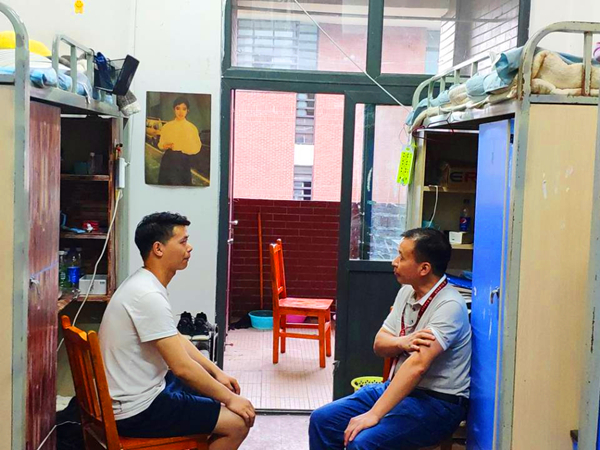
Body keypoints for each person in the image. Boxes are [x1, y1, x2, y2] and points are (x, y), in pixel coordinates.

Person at [99, 212, 254, 449]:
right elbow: (182, 368)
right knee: (238, 422)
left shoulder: (144, 284)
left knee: (212, 393)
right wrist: (232, 399)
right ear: (158, 249)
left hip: (138, 394)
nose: (189, 248)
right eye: (182, 241)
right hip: (136, 409)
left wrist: (216, 372)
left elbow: (175, 337)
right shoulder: (147, 295)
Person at [309, 228, 471, 450]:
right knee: (322, 420)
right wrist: (403, 342)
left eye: (402, 257)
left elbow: (417, 366)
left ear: (424, 268)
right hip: (399, 388)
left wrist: (374, 414)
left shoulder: (449, 305)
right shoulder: (407, 291)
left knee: (361, 443)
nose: (394, 262)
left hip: (438, 403)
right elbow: (380, 344)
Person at [157, 97, 202, 185]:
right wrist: (165, 146)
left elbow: (197, 147)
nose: (181, 112)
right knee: (165, 186)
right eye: (178, 108)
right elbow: (160, 144)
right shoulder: (167, 126)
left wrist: (184, 148)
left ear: (187, 110)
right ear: (174, 109)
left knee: (183, 186)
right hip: (168, 160)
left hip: (183, 161)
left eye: (184, 109)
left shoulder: (191, 128)